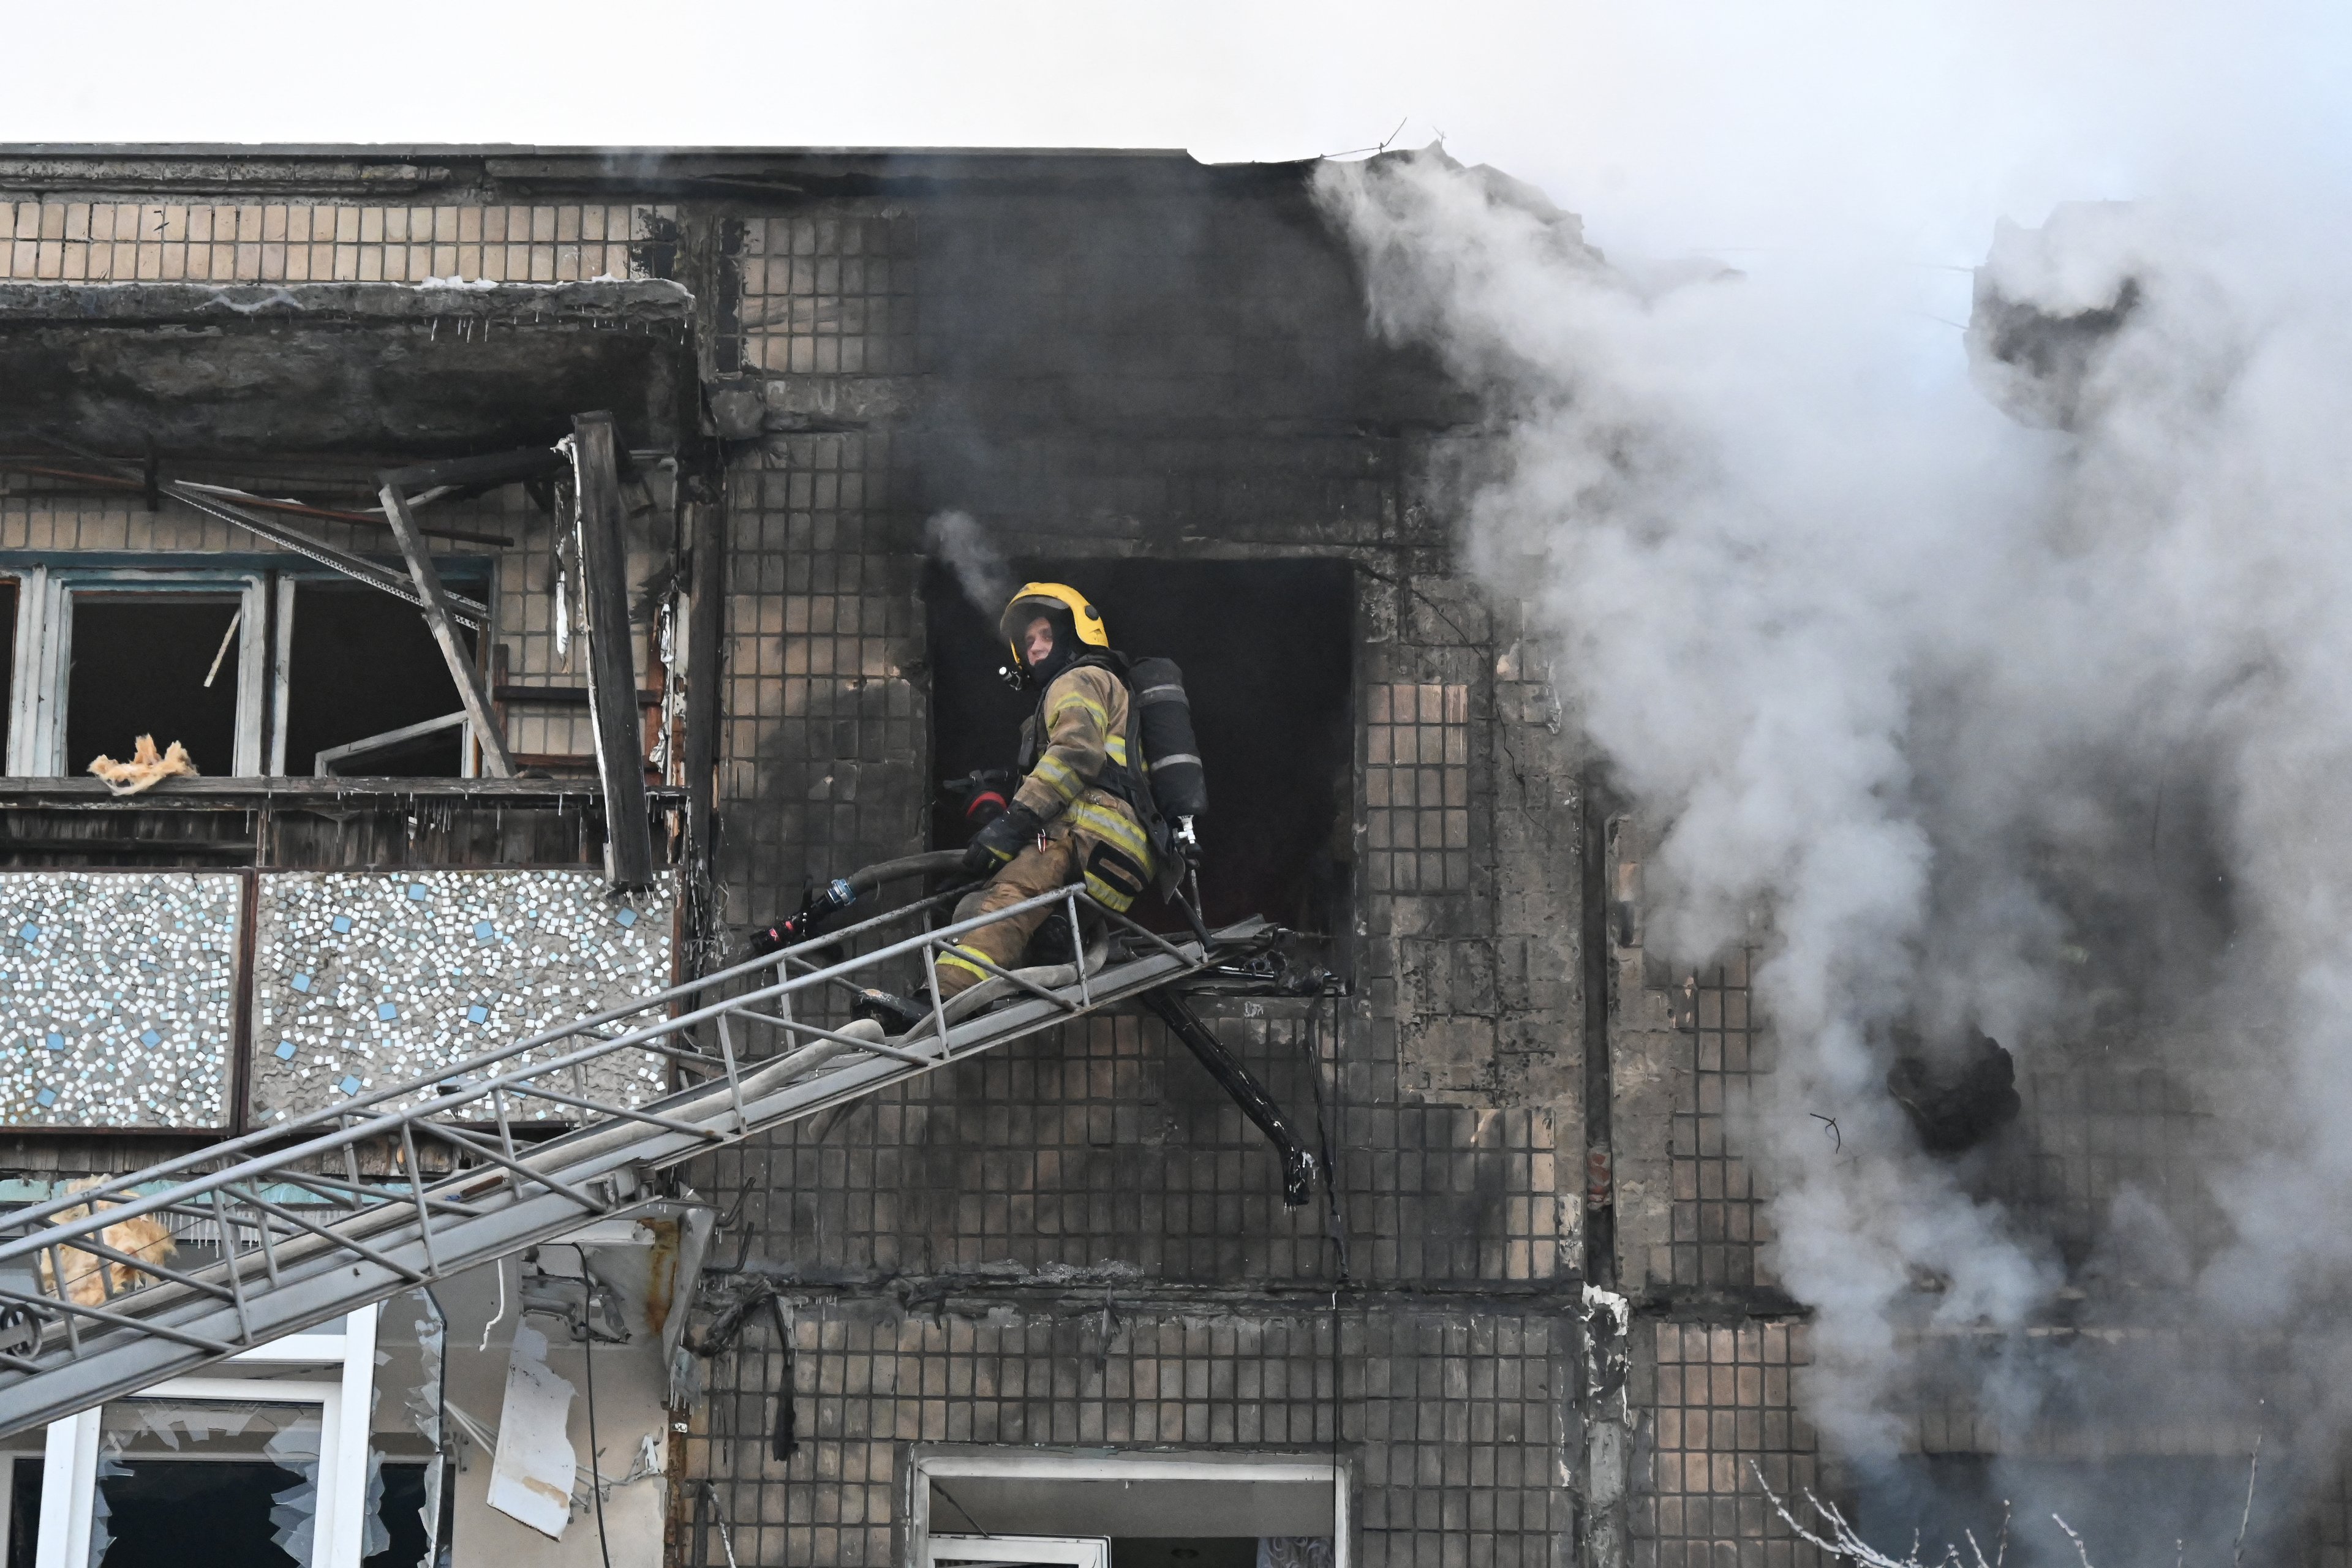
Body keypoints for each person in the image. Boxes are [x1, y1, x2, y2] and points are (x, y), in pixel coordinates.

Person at [938, 582, 1158, 998]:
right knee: (1012, 909)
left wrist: (1011, 825)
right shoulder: (1109, 687)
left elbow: (1076, 753)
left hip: (1082, 836)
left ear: (1077, 637)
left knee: (999, 904)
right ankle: (1050, 943)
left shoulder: (1078, 679)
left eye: (1046, 636)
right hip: (1121, 857)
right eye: (1028, 641)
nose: (1035, 648)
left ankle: (942, 1000)